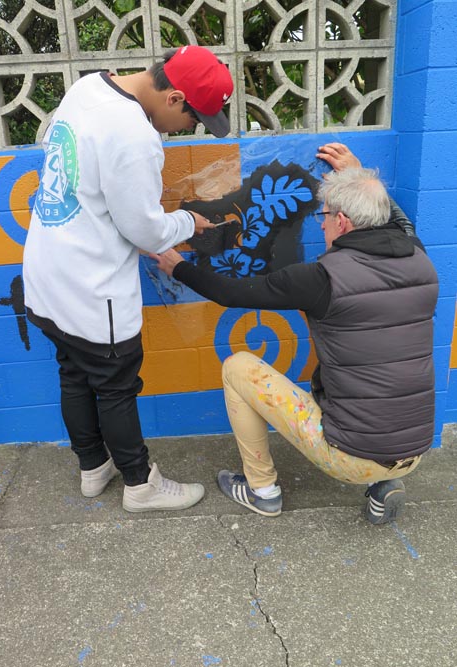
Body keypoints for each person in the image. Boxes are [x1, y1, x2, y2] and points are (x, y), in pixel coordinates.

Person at [152, 143, 439, 524]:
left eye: (325, 216)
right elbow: (398, 223)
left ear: (344, 223)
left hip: (350, 457)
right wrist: (358, 173)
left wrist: (177, 267)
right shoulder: (420, 259)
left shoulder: (321, 278)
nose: (321, 224)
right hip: (414, 452)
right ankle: (382, 486)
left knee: (238, 367)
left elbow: (231, 292)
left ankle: (262, 491)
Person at [23, 45, 234, 512]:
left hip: (48, 271)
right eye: (195, 120)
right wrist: (186, 221)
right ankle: (140, 484)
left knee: (74, 372)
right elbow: (142, 230)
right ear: (175, 97)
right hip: (93, 286)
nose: (190, 130)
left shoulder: (87, 87)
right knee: (116, 384)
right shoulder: (136, 136)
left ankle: (93, 468)